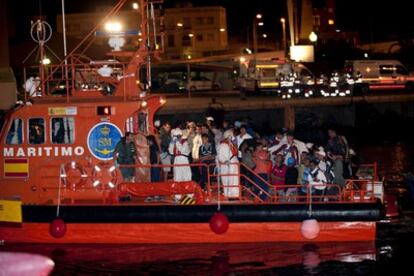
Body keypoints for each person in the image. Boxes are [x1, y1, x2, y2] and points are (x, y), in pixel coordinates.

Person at [217, 129, 240, 199]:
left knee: (234, 180)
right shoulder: (223, 145)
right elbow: (220, 156)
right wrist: (224, 161)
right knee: (228, 180)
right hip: (228, 165)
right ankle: (229, 195)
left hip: (233, 163)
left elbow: (236, 152)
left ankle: (235, 195)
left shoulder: (230, 144)